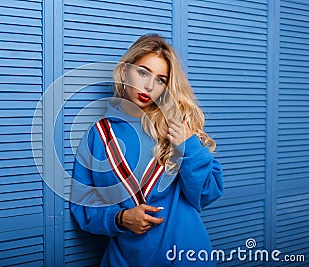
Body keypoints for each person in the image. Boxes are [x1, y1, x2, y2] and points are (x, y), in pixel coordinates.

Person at [70, 33, 223, 266]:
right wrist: (120, 218)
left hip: (185, 255)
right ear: (124, 72)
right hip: (125, 258)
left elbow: (206, 194)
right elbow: (83, 204)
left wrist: (188, 145)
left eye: (160, 79)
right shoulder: (99, 135)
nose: (149, 85)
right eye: (143, 72)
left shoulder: (177, 126)